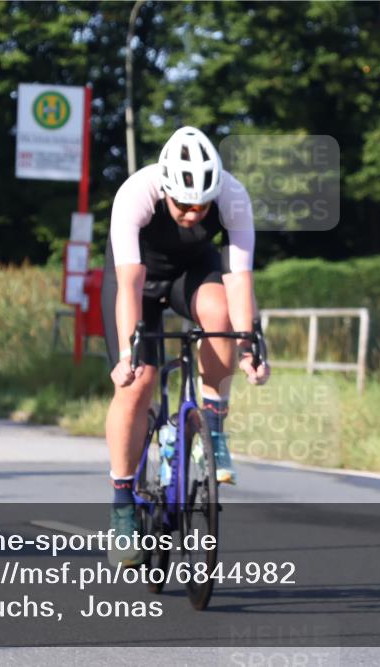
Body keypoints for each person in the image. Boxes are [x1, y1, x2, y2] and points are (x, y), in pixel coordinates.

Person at [101, 126, 270, 566]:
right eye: (183, 204)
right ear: (166, 189)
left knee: (221, 316)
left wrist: (250, 343)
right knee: (137, 383)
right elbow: (129, 284)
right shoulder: (136, 194)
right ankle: (123, 504)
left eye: (202, 205)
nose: (194, 214)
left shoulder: (233, 196)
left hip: (191, 275)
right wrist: (127, 355)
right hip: (135, 280)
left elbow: (239, 278)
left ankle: (212, 426)